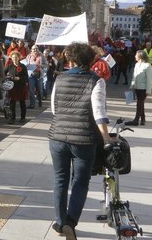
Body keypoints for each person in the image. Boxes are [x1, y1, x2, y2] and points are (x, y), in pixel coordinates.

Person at [48, 42, 112, 239]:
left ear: (71, 59)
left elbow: (53, 109)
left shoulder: (60, 79)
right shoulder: (96, 81)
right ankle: (71, 222)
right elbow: (99, 113)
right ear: (90, 60)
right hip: (84, 139)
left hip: (57, 136)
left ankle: (60, 222)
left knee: (60, 179)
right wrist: (107, 139)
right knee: (81, 182)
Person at [126, 50, 152, 126]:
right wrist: (132, 85)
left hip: (143, 88)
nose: (135, 56)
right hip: (137, 87)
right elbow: (134, 76)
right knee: (140, 103)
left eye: (136, 55)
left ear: (140, 56)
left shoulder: (148, 65)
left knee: (139, 103)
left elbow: (149, 79)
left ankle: (136, 119)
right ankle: (143, 119)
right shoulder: (137, 64)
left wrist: (148, 90)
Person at [5, 50, 28, 124]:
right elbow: (3, 73)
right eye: (13, 57)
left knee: (22, 102)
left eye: (16, 57)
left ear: (19, 58)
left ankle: (23, 117)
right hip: (12, 86)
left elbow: (26, 77)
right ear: (11, 58)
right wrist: (7, 77)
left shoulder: (23, 66)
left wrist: (20, 78)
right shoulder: (9, 66)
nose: (14, 59)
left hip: (21, 86)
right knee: (12, 103)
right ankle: (12, 118)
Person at [23, 45, 45, 109]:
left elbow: (46, 65)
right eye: (33, 49)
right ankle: (32, 104)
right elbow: (25, 63)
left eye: (36, 49)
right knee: (31, 90)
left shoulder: (42, 56)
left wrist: (39, 65)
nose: (35, 50)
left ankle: (40, 100)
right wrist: (26, 66)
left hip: (39, 75)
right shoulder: (29, 56)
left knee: (40, 90)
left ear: (38, 49)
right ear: (31, 50)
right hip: (31, 75)